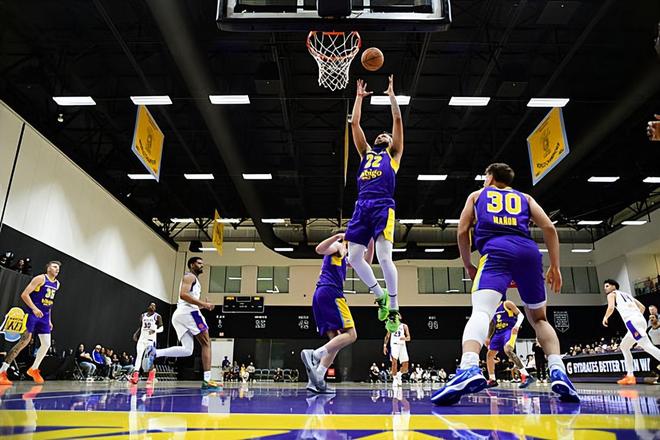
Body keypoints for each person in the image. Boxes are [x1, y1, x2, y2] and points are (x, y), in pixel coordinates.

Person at [432, 163, 579, 405]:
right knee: (539, 319)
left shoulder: (477, 195)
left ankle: (468, 366)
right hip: (528, 253)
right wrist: (555, 266)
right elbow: (549, 228)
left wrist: (468, 264)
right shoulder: (525, 198)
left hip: (496, 252)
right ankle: (557, 369)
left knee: (481, 311)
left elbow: (462, 231)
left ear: (490, 177)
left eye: (484, 176)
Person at [346, 75, 404, 333]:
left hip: (382, 206)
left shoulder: (394, 155)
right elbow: (355, 123)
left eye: (386, 135)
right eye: (380, 134)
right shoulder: (365, 153)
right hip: (362, 206)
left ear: (391, 143)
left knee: (383, 257)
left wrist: (391, 96)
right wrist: (359, 98)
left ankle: (394, 307)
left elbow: (397, 120)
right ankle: (380, 295)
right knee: (353, 258)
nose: (383, 135)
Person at [301, 233, 371, 393]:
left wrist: (371, 242)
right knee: (351, 335)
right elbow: (319, 249)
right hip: (331, 292)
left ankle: (317, 379)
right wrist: (337, 237)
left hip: (320, 294)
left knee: (336, 340)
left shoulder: (343, 257)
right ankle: (315, 355)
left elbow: (365, 264)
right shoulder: (339, 246)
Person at [143, 257, 221, 390]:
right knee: (206, 343)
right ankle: (207, 381)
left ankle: (155, 352)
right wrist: (203, 303)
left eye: (202, 263)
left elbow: (187, 300)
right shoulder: (190, 276)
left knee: (188, 350)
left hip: (180, 314)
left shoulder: (193, 280)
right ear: (191, 265)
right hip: (189, 313)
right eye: (199, 263)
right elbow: (183, 295)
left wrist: (203, 306)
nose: (202, 265)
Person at [0, 261, 62, 385]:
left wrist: (49, 320)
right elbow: (24, 295)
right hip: (32, 314)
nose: (57, 269)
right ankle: (2, 372)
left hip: (44, 317)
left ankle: (33, 369)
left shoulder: (57, 284)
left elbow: (50, 303)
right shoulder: (40, 278)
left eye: (58, 267)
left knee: (46, 344)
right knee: (24, 342)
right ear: (48, 268)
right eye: (55, 266)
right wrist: (34, 308)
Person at [601, 279, 660, 385]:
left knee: (647, 347)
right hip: (640, 321)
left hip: (632, 323)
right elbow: (642, 307)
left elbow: (611, 307)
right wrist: (637, 317)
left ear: (614, 286)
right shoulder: (627, 295)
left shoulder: (611, 294)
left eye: (607, 286)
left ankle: (630, 376)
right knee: (624, 346)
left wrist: (605, 317)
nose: (605, 288)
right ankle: (630, 376)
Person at [484, 300, 533, 388]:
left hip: (509, 330)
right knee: (489, 355)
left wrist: (517, 326)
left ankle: (526, 375)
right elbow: (492, 324)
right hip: (498, 333)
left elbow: (520, 315)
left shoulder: (506, 304)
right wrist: (488, 337)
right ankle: (492, 379)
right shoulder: (492, 308)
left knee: (507, 350)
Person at [130, 302, 163, 385]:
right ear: (148, 306)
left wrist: (155, 330)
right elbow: (140, 326)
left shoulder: (157, 316)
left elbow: (162, 328)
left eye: (154, 306)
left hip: (151, 340)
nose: (152, 306)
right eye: (151, 305)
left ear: (155, 308)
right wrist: (136, 334)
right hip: (142, 339)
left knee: (148, 359)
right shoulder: (143, 315)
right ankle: (135, 376)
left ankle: (151, 374)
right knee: (139, 356)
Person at [383, 317, 411, 387]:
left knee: (406, 367)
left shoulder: (404, 326)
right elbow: (387, 336)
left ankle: (399, 374)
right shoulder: (391, 326)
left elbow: (409, 338)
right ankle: (395, 378)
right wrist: (385, 346)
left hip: (402, 345)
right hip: (394, 345)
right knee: (394, 362)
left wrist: (405, 338)